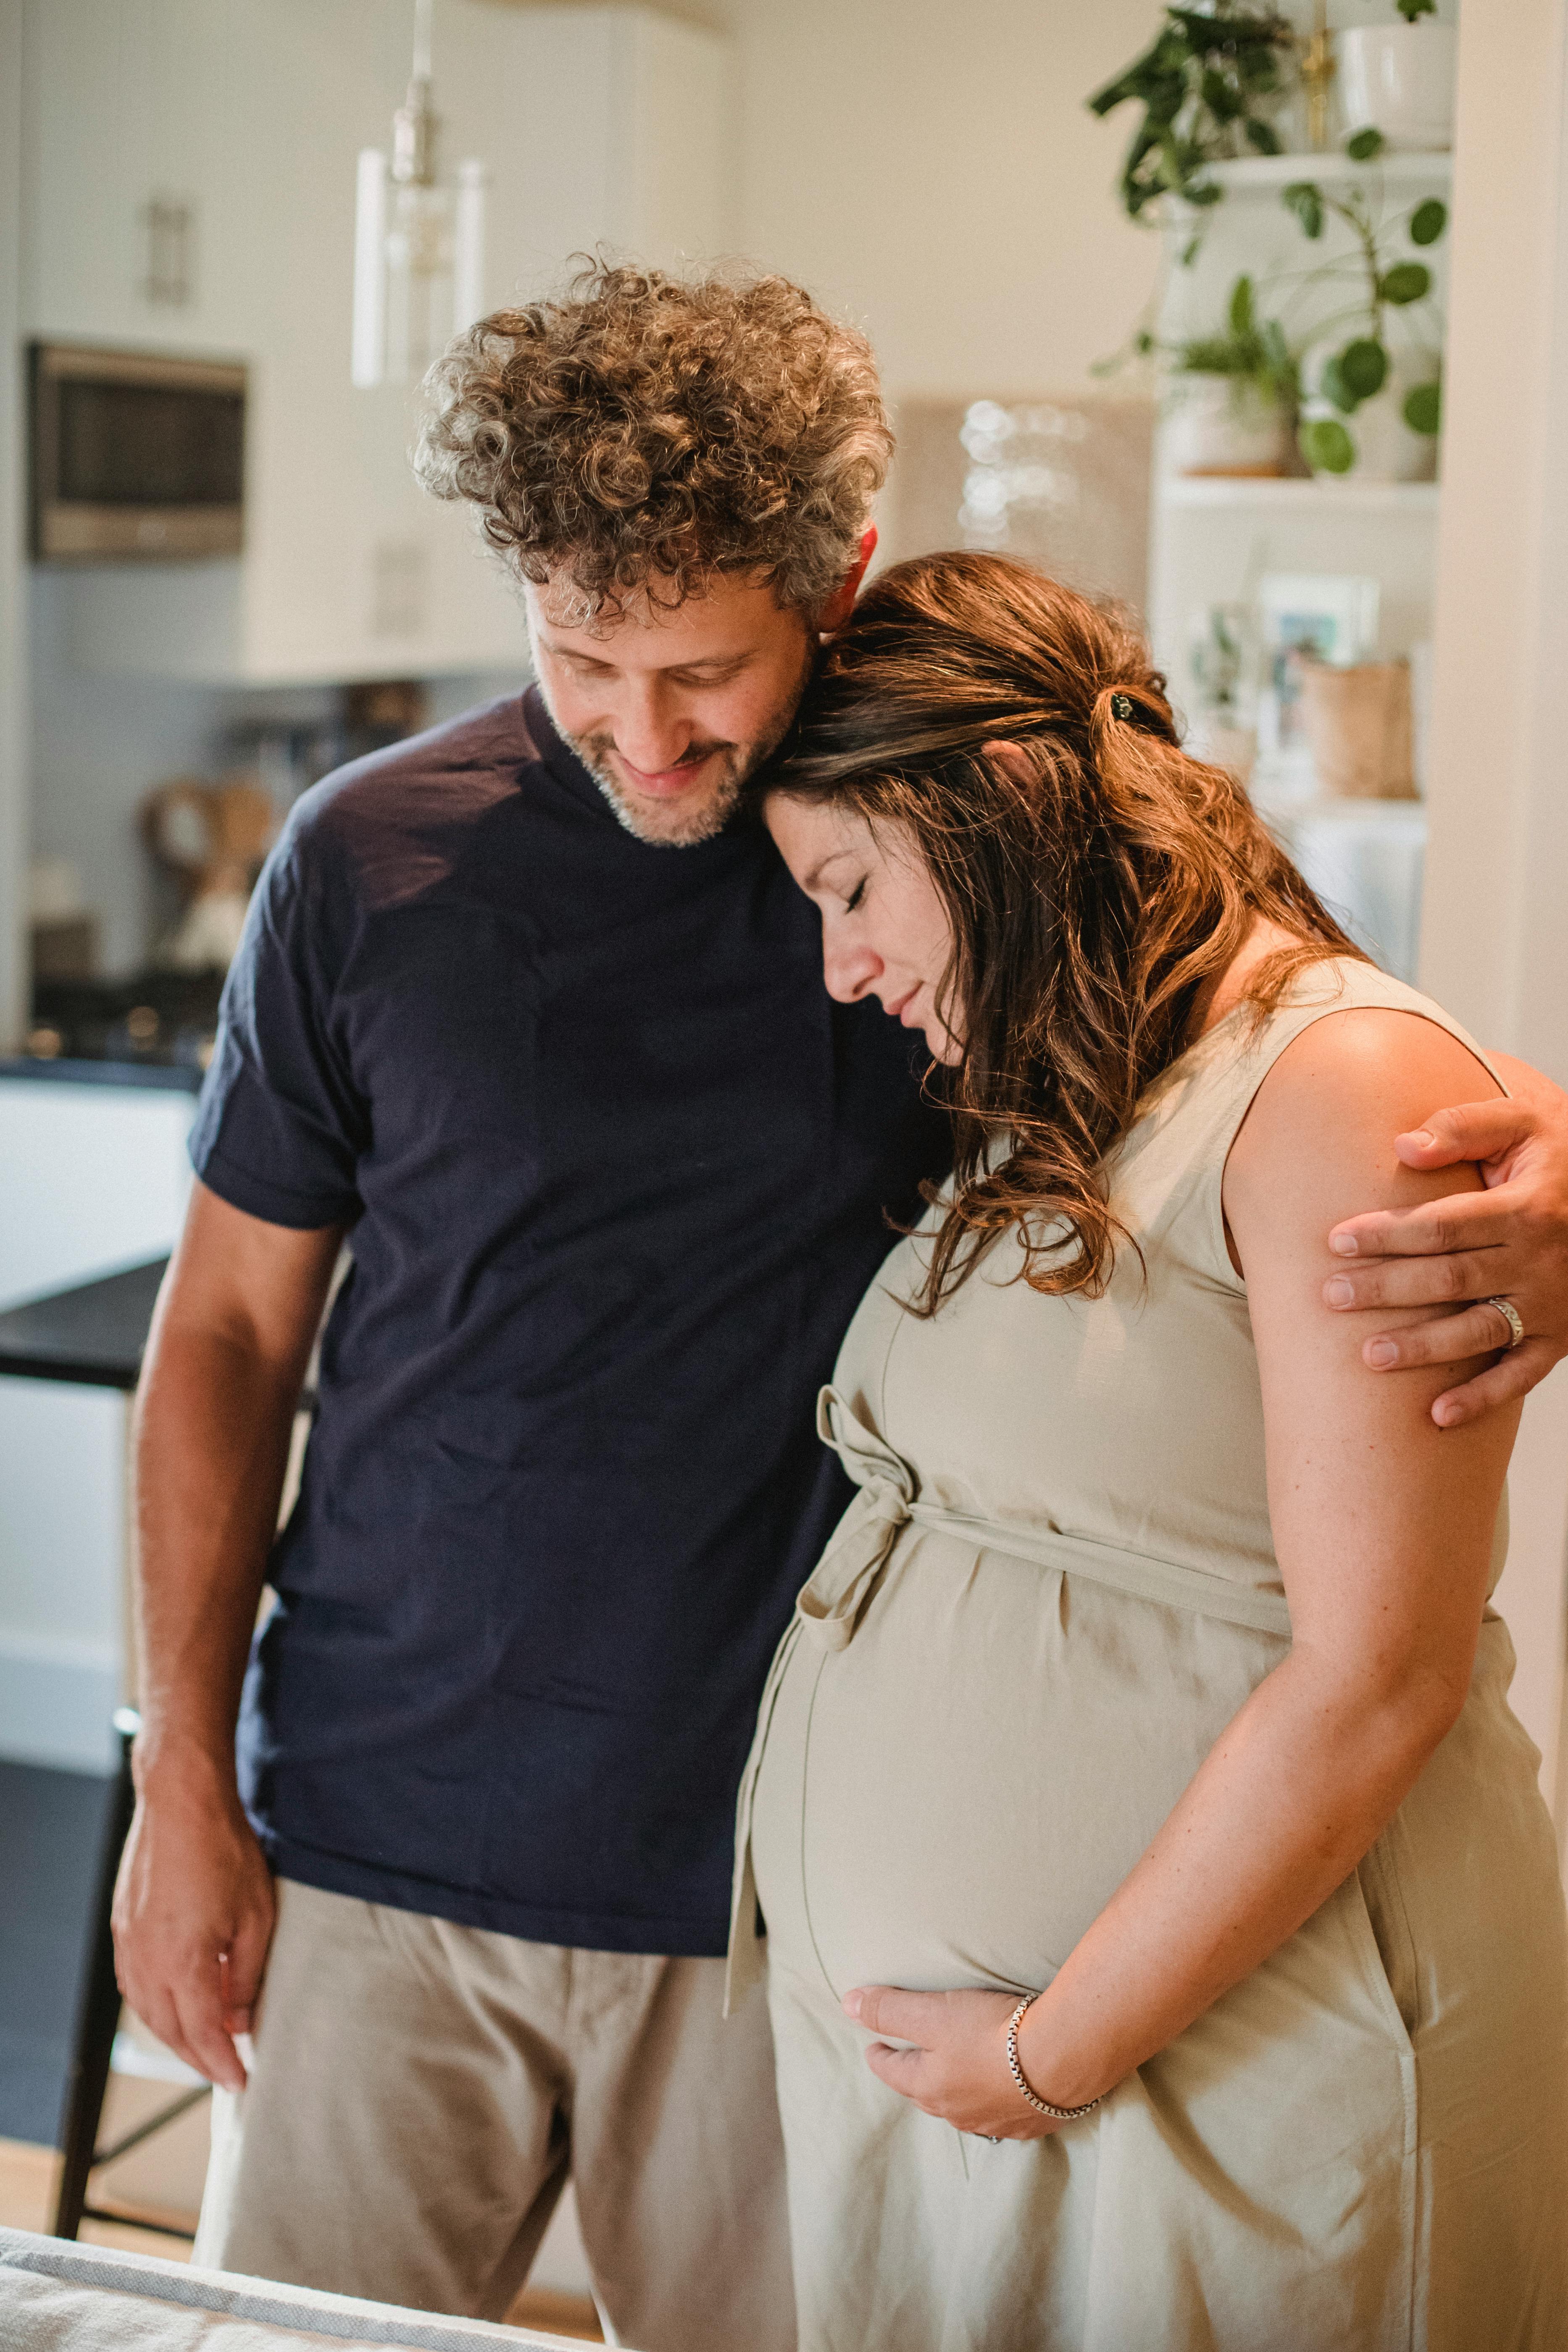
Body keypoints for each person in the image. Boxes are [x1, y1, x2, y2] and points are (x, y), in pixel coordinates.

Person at [110, 265, 1568, 2341]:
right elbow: (231, 1337)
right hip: (376, 1833)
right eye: (576, 656)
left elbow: (1282, 1025)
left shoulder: (935, 850)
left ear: (840, 582)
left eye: (698, 670)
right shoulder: (364, 867)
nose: (637, 732)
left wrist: (1539, 1144)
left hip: (770, 1901)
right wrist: (185, 1775)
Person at [737, 550, 1568, 2352]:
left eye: (854, 885)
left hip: (1246, 2057)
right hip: (1059, 2081)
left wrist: (1054, 2046)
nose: (843, 961)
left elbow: (1380, 1673)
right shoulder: (1085, 1072)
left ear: (1008, 800)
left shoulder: (1339, 1082)